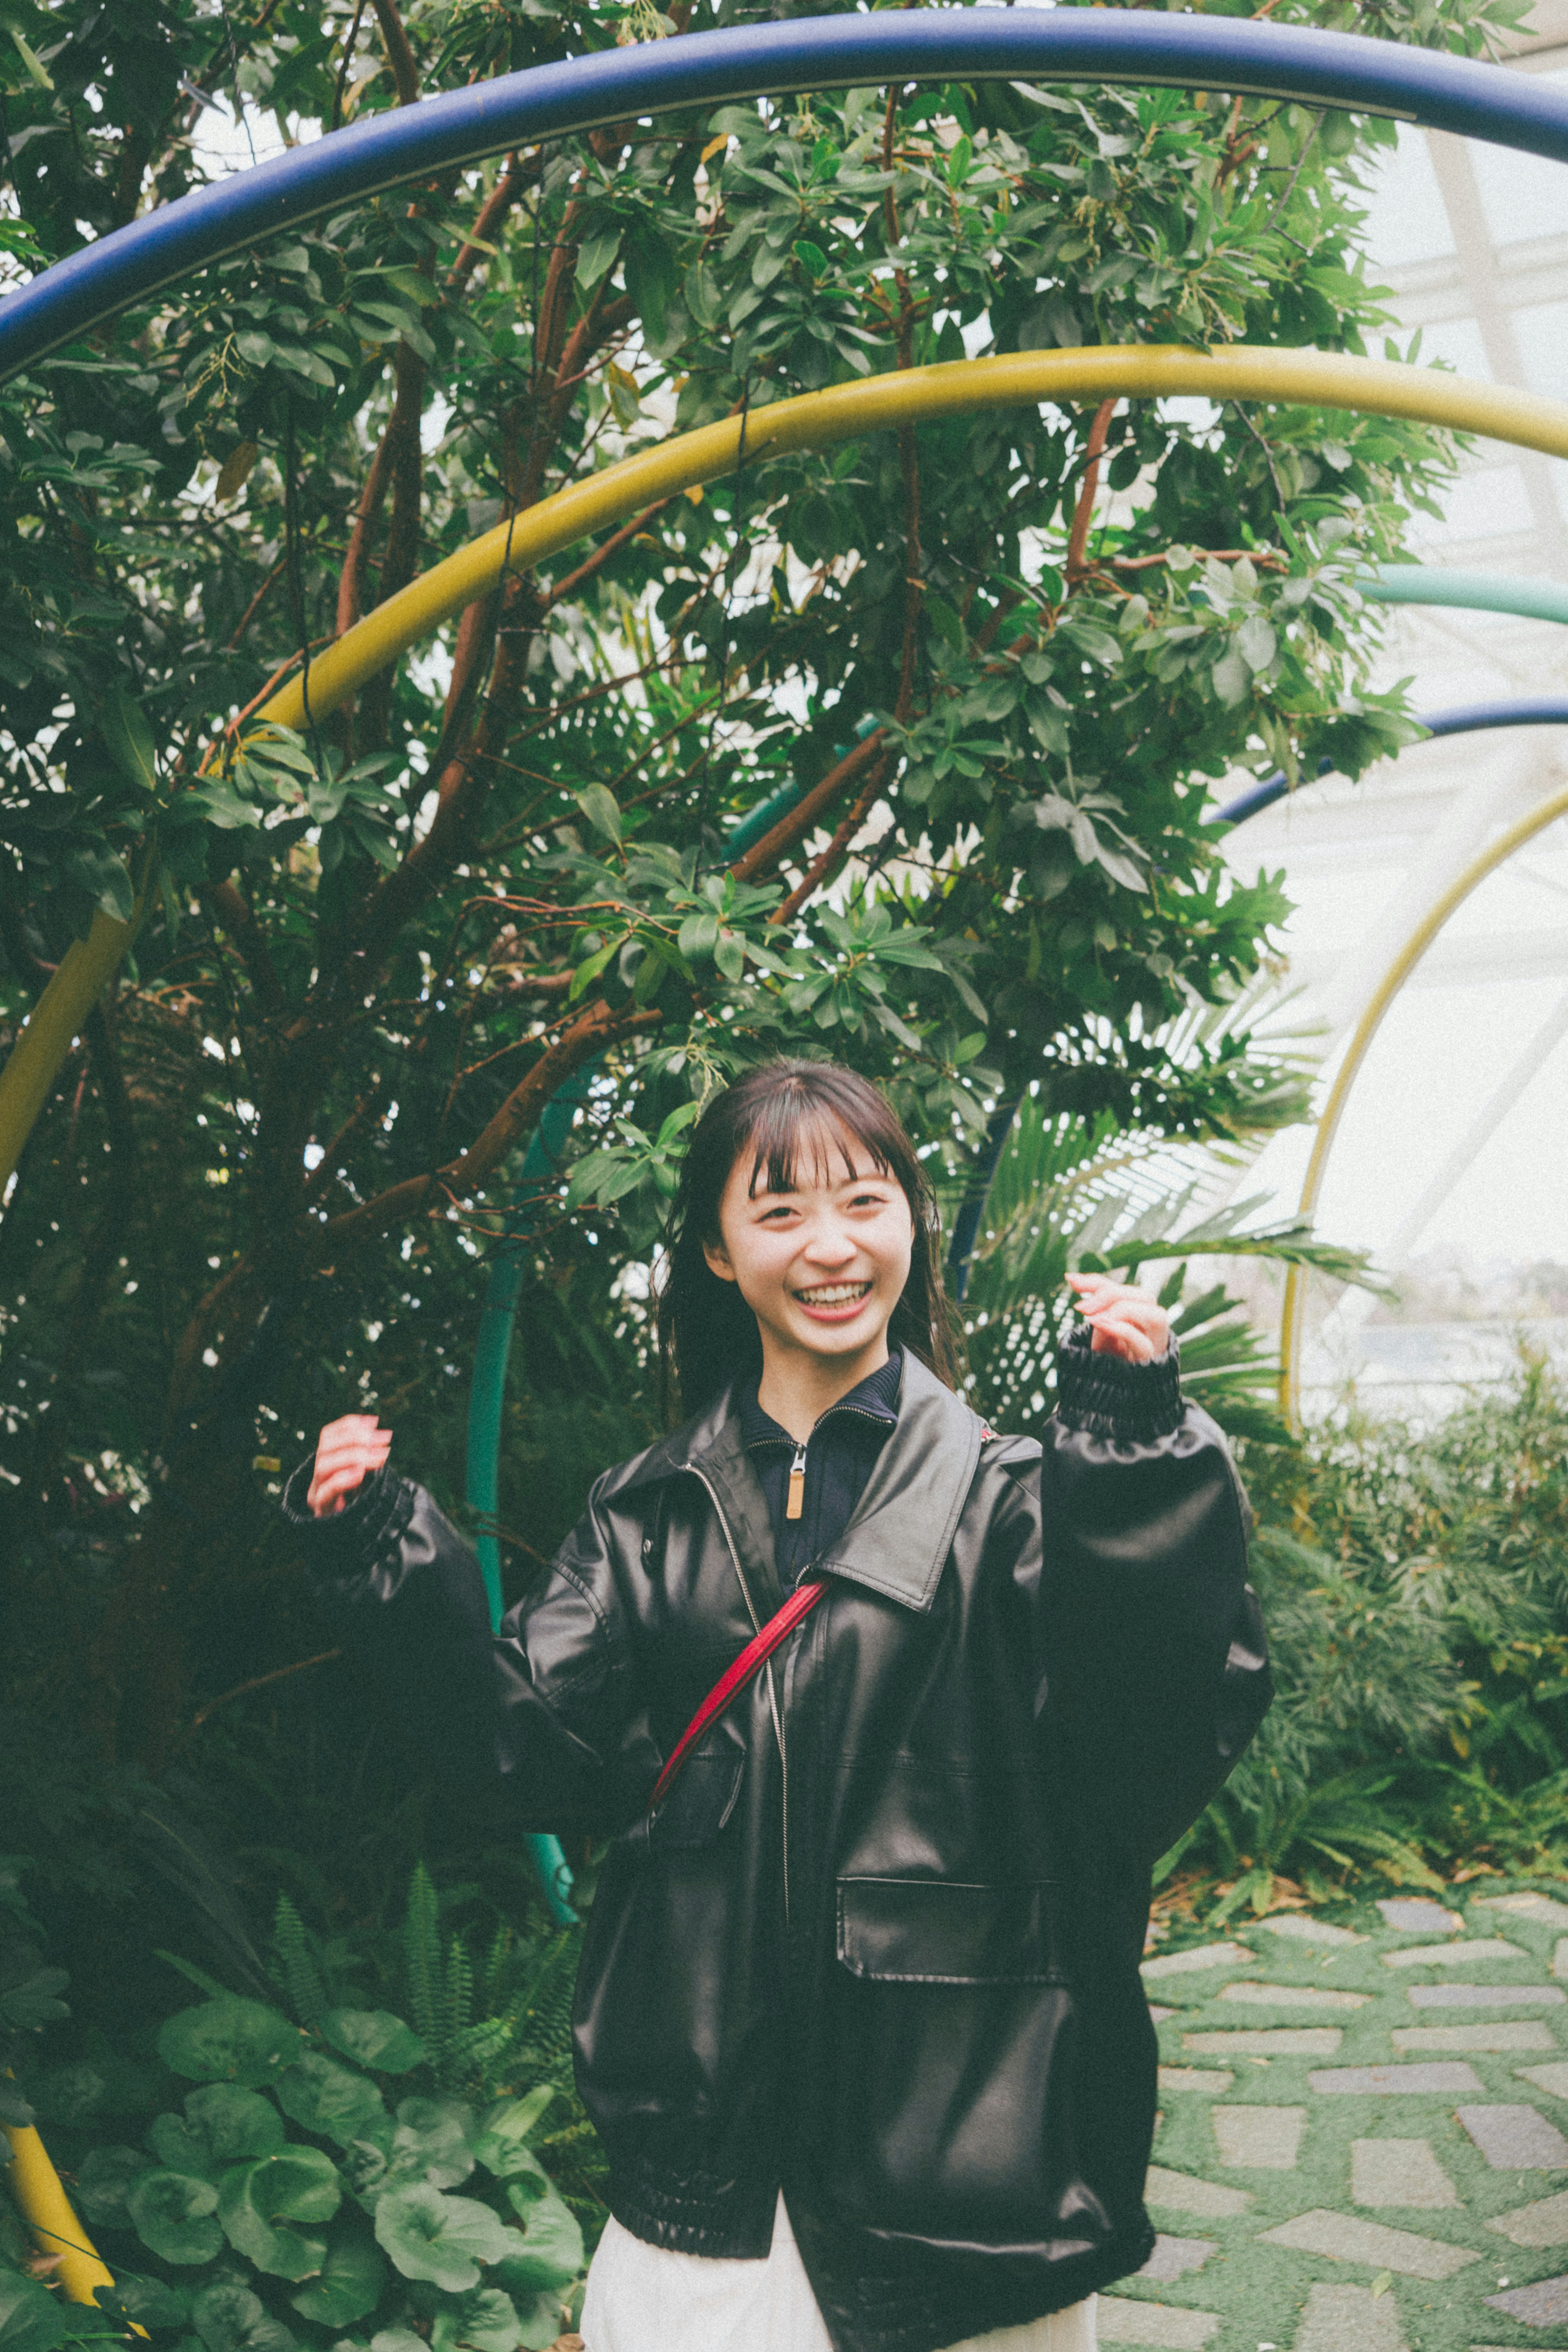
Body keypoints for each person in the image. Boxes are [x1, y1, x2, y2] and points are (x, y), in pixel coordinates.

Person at [285, 1059, 1272, 2352]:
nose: (833, 1246)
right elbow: (524, 1752)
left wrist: (1136, 1457)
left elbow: (1141, 1743)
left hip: (963, 2139)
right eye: (781, 1209)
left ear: (911, 1220)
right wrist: (384, 1561)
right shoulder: (644, 1517)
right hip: (709, 2150)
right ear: (714, 1246)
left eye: (866, 1201)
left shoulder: (1019, 1497)